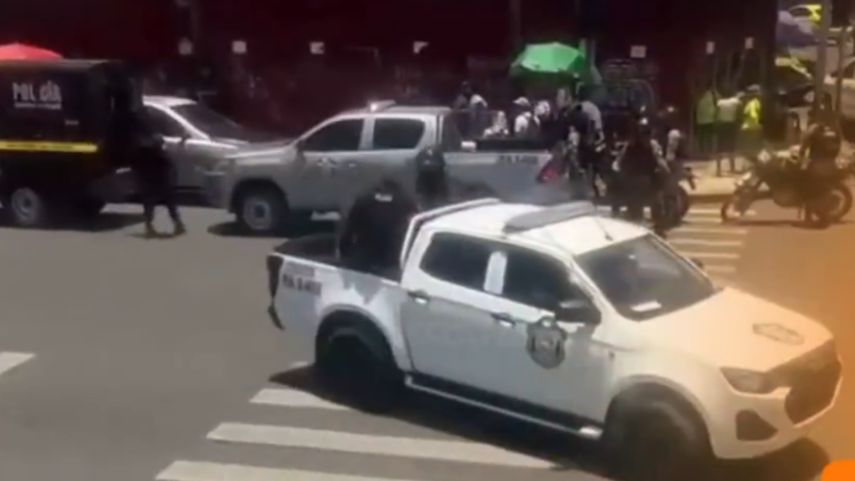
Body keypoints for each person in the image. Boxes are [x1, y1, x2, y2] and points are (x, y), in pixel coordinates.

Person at [122, 100, 185, 238]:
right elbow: (142, 148)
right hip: (150, 168)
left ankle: (175, 224)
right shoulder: (138, 132)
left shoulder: (146, 129)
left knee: (161, 198)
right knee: (153, 198)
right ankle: (154, 225)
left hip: (156, 168)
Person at [338, 178, 418, 274]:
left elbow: (349, 229)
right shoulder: (406, 203)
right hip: (392, 259)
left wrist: (344, 253)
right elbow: (415, 228)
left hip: (364, 258)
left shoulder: (364, 200)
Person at [615, 117, 670, 235]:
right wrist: (666, 173)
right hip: (645, 180)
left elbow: (619, 163)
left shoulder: (631, 145)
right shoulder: (649, 145)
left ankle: (651, 229)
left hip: (637, 181)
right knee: (654, 205)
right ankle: (658, 230)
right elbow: (660, 162)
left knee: (640, 208)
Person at [798, 106, 842, 224]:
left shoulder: (815, 128)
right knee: (827, 188)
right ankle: (825, 213)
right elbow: (838, 146)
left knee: (805, 187)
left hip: (816, 166)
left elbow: (804, 145)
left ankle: (807, 217)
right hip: (831, 166)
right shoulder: (835, 129)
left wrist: (800, 156)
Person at [716, 90, 743, 175]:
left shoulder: (719, 102)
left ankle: (719, 169)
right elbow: (740, 106)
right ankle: (732, 168)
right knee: (731, 147)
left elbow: (716, 114)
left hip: (722, 124)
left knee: (719, 147)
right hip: (731, 124)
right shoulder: (735, 101)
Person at [740, 85, 764, 160]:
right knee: (756, 148)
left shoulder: (749, 103)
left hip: (747, 127)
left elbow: (745, 114)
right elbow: (753, 115)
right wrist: (759, 124)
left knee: (749, 148)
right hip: (753, 128)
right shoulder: (755, 103)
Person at [695, 88, 717, 158]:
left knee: (702, 137)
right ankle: (710, 151)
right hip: (710, 120)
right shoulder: (711, 97)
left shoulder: (700, 99)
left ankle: (702, 151)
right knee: (709, 137)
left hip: (701, 121)